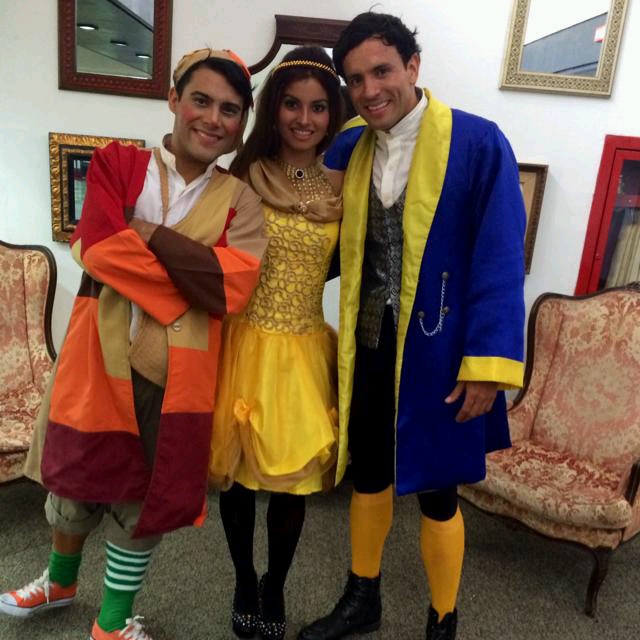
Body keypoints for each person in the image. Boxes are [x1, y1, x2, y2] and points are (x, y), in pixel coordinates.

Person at [0, 48, 267, 640]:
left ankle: (113, 620)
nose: (213, 118)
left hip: (176, 374)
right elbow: (96, 248)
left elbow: (232, 287)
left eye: (229, 110)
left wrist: (143, 233)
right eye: (201, 100)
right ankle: (59, 581)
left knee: (146, 494)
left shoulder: (241, 201)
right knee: (75, 475)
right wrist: (188, 286)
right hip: (95, 356)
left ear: (241, 122)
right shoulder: (118, 163)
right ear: (173, 99)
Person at [298, 12, 526, 640]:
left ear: (413, 66)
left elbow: (501, 259)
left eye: (382, 71)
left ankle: (442, 619)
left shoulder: (479, 143)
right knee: (369, 472)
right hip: (371, 341)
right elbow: (312, 212)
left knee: (438, 492)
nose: (369, 90)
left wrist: (487, 366)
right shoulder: (351, 145)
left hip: (443, 354)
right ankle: (362, 598)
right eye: (355, 80)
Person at [208, 45, 345, 640]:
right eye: (292, 104)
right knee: (237, 476)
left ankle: (276, 584)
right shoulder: (244, 174)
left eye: (318, 107)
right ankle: (244, 578)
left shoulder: (345, 184)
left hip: (302, 349)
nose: (304, 119)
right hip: (243, 342)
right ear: (274, 108)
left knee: (294, 484)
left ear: (333, 113)